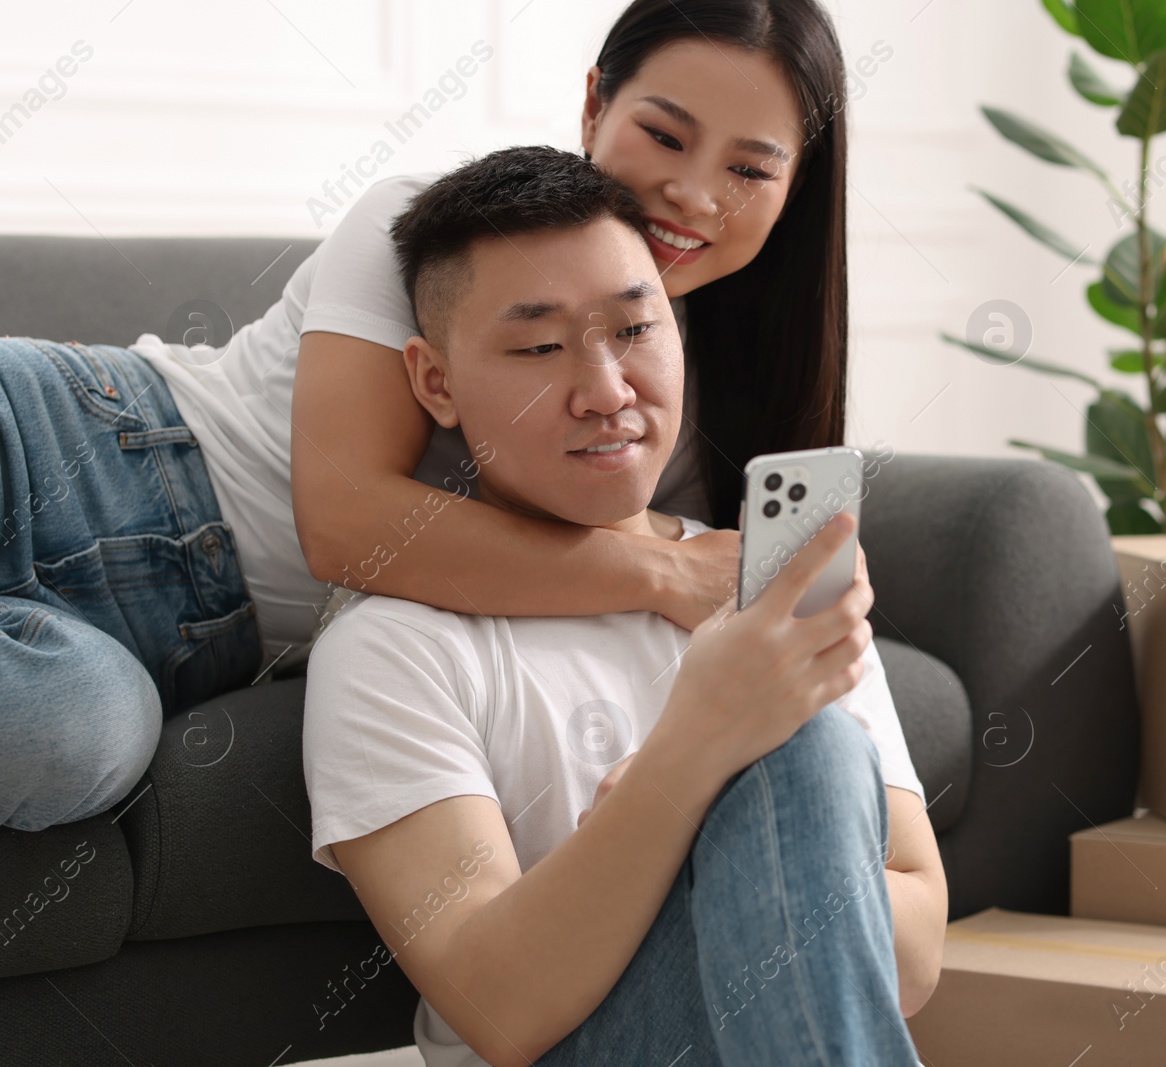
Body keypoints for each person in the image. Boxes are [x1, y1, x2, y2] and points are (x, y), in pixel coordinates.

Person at [0, 0, 857, 831]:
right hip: (70, 449)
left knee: (69, 740)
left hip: (157, 644)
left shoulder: (687, 393)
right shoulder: (432, 232)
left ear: (795, 187)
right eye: (665, 135)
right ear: (595, 103)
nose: (691, 192)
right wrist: (664, 573)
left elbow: (755, 617)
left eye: (749, 170)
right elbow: (345, 525)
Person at [302, 145, 945, 1066]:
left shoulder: (765, 587)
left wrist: (747, 854)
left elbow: (917, 956)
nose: (607, 394)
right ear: (435, 381)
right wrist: (691, 756)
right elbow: (501, 1007)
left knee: (811, 749)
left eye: (637, 332)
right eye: (538, 346)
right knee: (805, 744)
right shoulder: (395, 646)